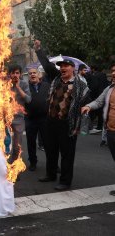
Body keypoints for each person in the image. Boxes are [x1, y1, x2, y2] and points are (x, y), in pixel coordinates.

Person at [35, 40, 89, 191]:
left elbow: (86, 104)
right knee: (51, 150)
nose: (63, 68)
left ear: (73, 68)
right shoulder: (56, 78)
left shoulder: (80, 85)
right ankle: (50, 174)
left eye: (66, 66)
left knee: (67, 154)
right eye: (61, 66)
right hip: (51, 121)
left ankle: (65, 181)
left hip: (68, 124)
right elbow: (46, 65)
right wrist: (39, 50)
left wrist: (80, 123)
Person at [81, 63, 115, 196]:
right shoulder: (109, 89)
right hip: (111, 131)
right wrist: (88, 106)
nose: (113, 73)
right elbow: (99, 102)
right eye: (112, 70)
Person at [25, 68, 50, 171]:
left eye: (34, 73)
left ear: (39, 74)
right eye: (30, 73)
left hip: (44, 118)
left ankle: (52, 164)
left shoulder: (46, 85)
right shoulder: (26, 87)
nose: (32, 75)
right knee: (31, 142)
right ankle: (33, 162)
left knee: (48, 142)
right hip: (30, 119)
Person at [8, 64, 31, 164]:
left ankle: (14, 167)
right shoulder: (4, 84)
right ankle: (4, 165)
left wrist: (18, 87)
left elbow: (28, 100)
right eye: (13, 73)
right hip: (5, 118)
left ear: (20, 74)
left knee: (17, 146)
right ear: (10, 74)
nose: (15, 75)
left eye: (17, 73)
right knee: (4, 143)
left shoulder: (24, 84)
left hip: (18, 118)